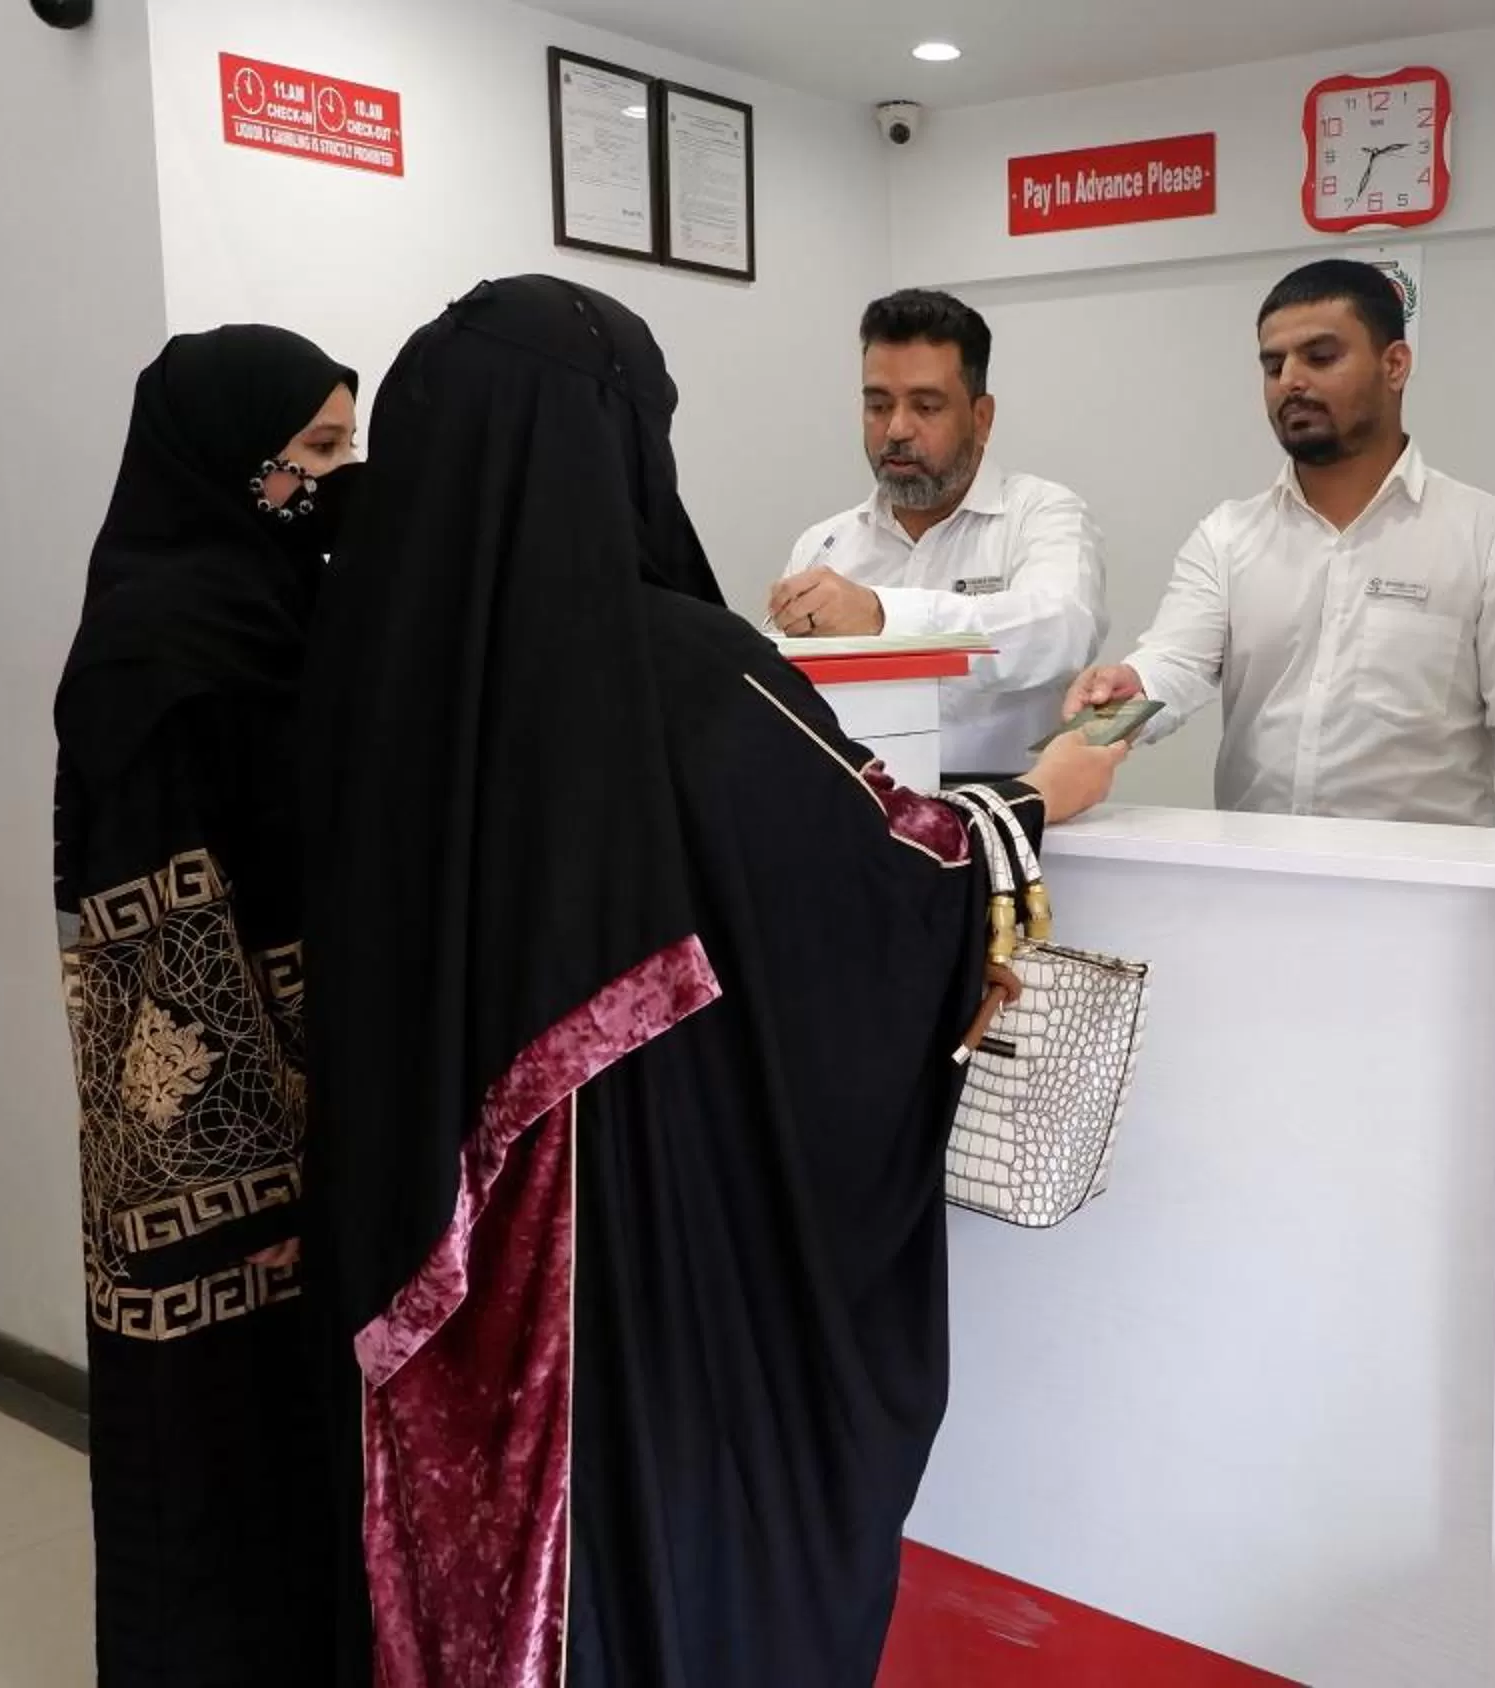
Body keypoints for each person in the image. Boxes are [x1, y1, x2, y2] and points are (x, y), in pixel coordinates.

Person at [301, 276, 1127, 1686]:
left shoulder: (368, 657)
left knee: (453, 1549)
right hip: (629, 1258)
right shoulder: (675, 670)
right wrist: (1030, 805)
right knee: (634, 1565)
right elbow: (879, 885)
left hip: (428, 1249)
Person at [52, 324, 361, 1685]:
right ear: (227, 461)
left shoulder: (278, 611)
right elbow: (159, 921)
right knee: (208, 1408)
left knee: (294, 1414)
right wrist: (263, 1101)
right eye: (313, 454)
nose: (335, 484)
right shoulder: (155, 645)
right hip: (195, 1122)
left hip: (304, 1099)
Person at [1069, 259, 1495, 828]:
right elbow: (1175, 662)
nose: (1290, 380)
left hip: (1428, 899)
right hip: (1262, 884)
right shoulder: (1227, 535)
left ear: (1394, 366)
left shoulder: (1488, 537)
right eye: (1273, 364)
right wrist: (1125, 694)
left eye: (1320, 357)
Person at [768, 288, 1106, 782]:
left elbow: (1059, 631)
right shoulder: (824, 545)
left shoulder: (1041, 513)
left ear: (982, 417)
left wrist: (883, 617)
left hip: (1012, 817)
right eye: (878, 405)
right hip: (860, 823)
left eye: (926, 407)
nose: (897, 429)